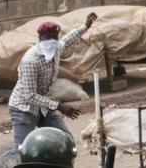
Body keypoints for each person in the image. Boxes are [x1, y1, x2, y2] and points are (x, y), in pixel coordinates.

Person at [9, 13, 97, 146]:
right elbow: (29, 95)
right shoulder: (30, 61)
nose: (52, 42)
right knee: (22, 149)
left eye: (54, 38)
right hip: (24, 108)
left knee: (66, 142)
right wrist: (59, 106)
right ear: (40, 39)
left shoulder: (56, 48)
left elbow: (67, 39)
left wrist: (85, 26)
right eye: (47, 39)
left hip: (44, 106)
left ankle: (60, 167)